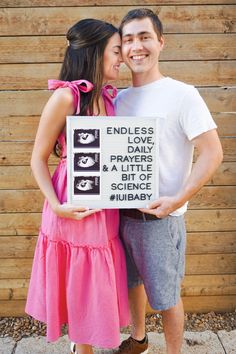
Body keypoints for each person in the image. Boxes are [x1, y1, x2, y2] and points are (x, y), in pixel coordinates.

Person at [115, 8, 223, 354]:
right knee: (132, 284)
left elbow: (212, 152)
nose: (136, 46)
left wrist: (176, 200)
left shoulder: (183, 94)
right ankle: (139, 338)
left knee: (165, 297)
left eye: (144, 37)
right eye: (128, 39)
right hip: (120, 216)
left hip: (160, 221)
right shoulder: (116, 100)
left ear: (160, 43)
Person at [25, 19, 130, 354]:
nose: (122, 58)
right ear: (96, 53)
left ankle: (82, 343)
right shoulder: (66, 97)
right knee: (80, 275)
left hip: (105, 207)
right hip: (71, 204)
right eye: (116, 50)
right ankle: (82, 348)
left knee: (94, 283)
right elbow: (37, 159)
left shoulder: (110, 98)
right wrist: (56, 206)